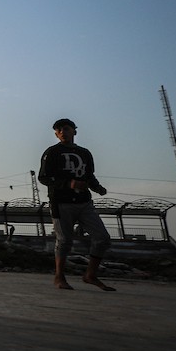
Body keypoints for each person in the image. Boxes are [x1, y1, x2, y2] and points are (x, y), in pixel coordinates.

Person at [37, 118, 115, 291]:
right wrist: (67, 184)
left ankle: (90, 275)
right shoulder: (52, 152)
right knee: (64, 240)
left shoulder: (84, 153)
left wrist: (97, 188)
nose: (62, 132)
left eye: (66, 128)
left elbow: (89, 175)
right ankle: (59, 276)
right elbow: (44, 177)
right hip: (61, 202)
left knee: (102, 238)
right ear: (56, 135)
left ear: (74, 131)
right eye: (59, 130)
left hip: (84, 202)